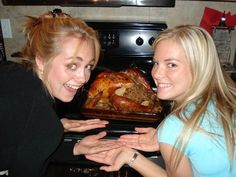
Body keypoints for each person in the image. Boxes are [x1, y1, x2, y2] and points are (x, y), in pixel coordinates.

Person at [85, 25, 236, 177]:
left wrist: (131, 157)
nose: (156, 73)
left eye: (172, 65)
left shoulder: (175, 127)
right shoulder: (227, 99)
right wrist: (167, 139)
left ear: (200, 68)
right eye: (156, 63)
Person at [0, 9, 121, 177]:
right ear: (41, 61)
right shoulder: (39, 111)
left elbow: (23, 146)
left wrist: (74, 147)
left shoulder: (13, 74)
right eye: (72, 65)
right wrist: (52, 130)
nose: (83, 78)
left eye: (88, 66)